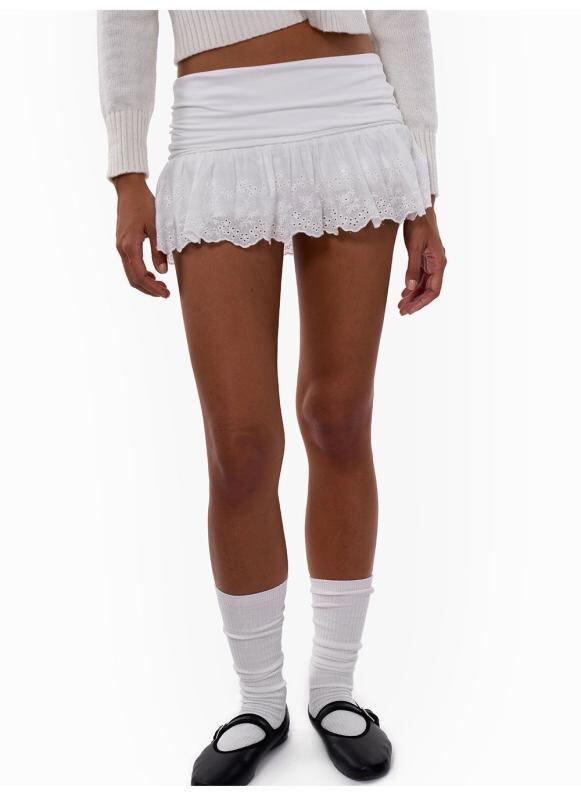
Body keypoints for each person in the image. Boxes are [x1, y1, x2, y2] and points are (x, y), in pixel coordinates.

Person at [97, 10, 446, 786]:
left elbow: (399, 12)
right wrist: (127, 172)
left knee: (338, 418)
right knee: (240, 447)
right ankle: (259, 701)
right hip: (219, 126)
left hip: (354, 111)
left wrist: (423, 190)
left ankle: (334, 689)